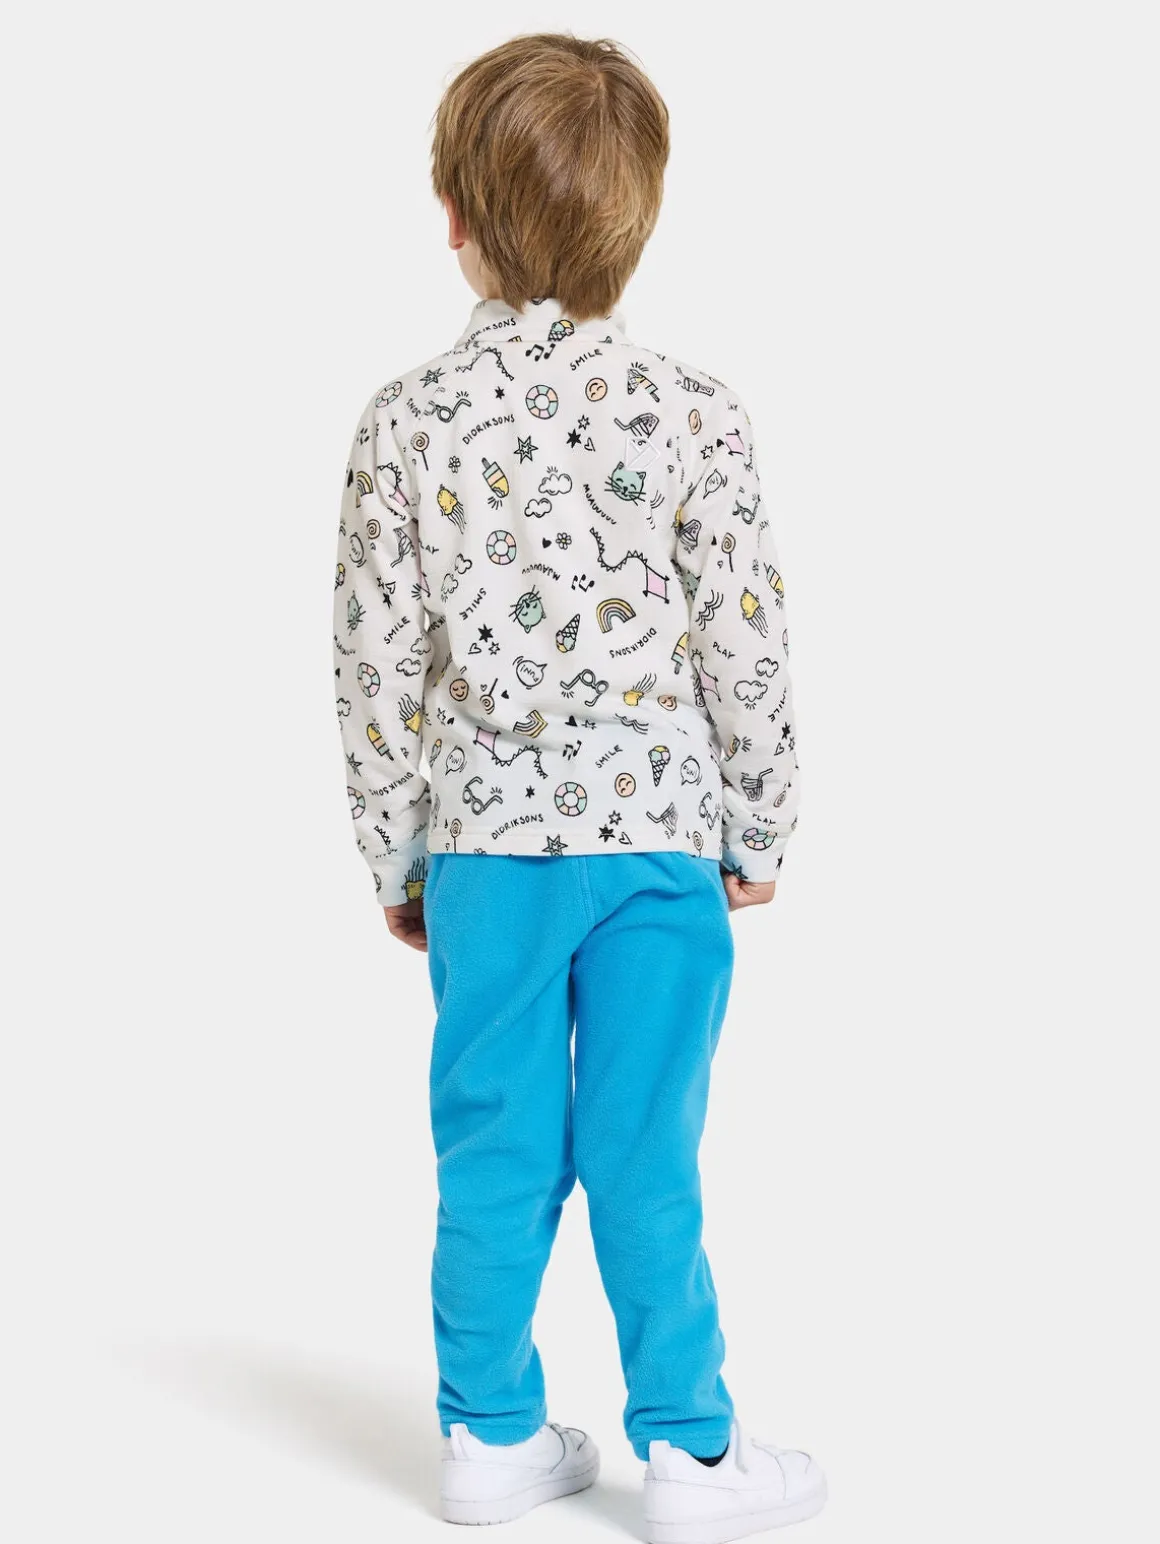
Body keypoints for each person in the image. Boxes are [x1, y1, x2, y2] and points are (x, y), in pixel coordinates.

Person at [331, 32, 825, 1543]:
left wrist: (398, 856)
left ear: (453, 218)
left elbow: (373, 664)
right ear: (638, 223)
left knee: (493, 1147)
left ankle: (488, 1434)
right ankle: (690, 1453)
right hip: (659, 851)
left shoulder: (407, 421)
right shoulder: (695, 411)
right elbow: (746, 638)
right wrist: (760, 824)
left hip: (487, 856)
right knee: (644, 1150)